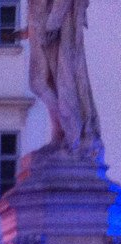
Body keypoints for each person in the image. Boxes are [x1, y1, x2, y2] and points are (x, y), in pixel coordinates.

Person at [25, 0, 100, 157]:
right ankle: (64, 132)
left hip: (56, 27)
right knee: (43, 83)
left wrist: (54, 20)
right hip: (40, 24)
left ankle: (72, 134)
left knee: (60, 82)